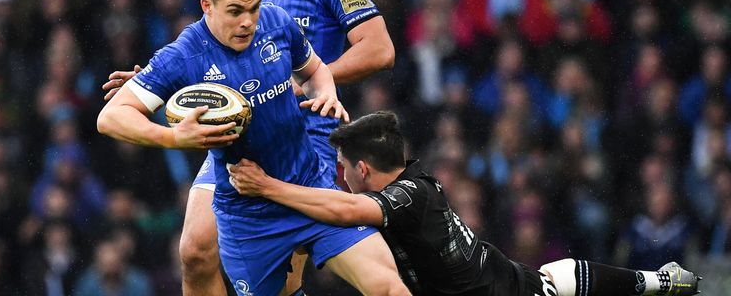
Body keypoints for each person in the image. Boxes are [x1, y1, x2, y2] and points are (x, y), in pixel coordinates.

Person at [102, 0, 395, 295]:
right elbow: (205, 46)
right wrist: (169, 82)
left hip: (301, 133)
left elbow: (379, 49)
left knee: (286, 271)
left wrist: (295, 79)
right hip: (237, 127)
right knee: (195, 251)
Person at [228, 110, 703, 296]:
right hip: (507, 279)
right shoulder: (417, 179)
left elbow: (347, 211)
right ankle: (661, 281)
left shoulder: (407, 196)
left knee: (551, 284)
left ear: (364, 169)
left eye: (343, 167)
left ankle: (658, 281)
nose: (341, 177)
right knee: (551, 281)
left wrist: (266, 186)